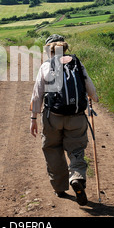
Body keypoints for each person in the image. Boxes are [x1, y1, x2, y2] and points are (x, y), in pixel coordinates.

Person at [30, 34, 99, 206]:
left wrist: (33, 118)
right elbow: (92, 91)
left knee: (52, 149)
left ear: (48, 50)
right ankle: (76, 177)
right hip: (76, 117)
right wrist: (92, 100)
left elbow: (37, 95)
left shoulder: (45, 66)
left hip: (53, 117)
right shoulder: (77, 64)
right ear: (65, 48)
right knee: (76, 149)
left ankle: (59, 187)